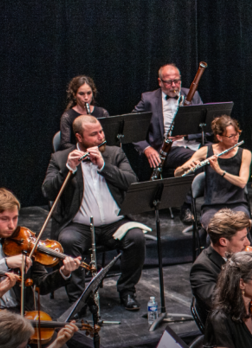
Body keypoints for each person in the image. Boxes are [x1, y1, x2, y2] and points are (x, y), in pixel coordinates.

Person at [42, 115, 146, 311]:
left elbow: (132, 182)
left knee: (136, 237)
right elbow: (47, 190)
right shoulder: (61, 158)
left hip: (115, 224)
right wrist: (68, 169)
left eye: (101, 131)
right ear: (79, 137)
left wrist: (104, 167)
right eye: (94, 134)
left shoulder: (115, 153)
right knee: (67, 239)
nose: (101, 136)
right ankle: (79, 299)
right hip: (79, 226)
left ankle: (127, 290)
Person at [0, 188, 82, 348]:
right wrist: (5, 263)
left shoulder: (21, 243)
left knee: (55, 344)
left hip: (21, 313)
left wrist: (64, 272)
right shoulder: (10, 256)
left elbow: (42, 285)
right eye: (5, 219)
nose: (11, 225)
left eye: (15, 218)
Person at [132, 63, 205, 224]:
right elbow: (131, 127)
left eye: (177, 81)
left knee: (221, 154)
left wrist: (186, 132)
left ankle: (219, 204)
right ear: (160, 82)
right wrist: (147, 148)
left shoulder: (192, 95)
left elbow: (205, 127)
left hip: (192, 144)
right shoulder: (148, 99)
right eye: (169, 82)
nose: (174, 86)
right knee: (192, 158)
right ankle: (186, 207)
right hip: (167, 150)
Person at [189, 209, 252, 326]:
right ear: (223, 241)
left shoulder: (236, 257)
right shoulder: (201, 268)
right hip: (231, 330)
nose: (248, 243)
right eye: (242, 239)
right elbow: (220, 303)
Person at [176, 115, 252, 229]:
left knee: (240, 228)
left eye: (237, 133)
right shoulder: (205, 151)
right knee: (216, 229)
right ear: (219, 137)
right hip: (212, 206)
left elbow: (242, 182)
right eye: (231, 136)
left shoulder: (245, 153)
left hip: (237, 204)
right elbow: (176, 174)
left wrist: (220, 171)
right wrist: (184, 167)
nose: (236, 138)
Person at [58, 76, 109, 151]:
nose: (86, 97)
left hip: (101, 153)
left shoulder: (102, 113)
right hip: (79, 155)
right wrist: (84, 150)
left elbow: (109, 139)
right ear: (74, 95)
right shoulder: (68, 116)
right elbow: (65, 144)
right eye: (81, 94)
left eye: (89, 93)